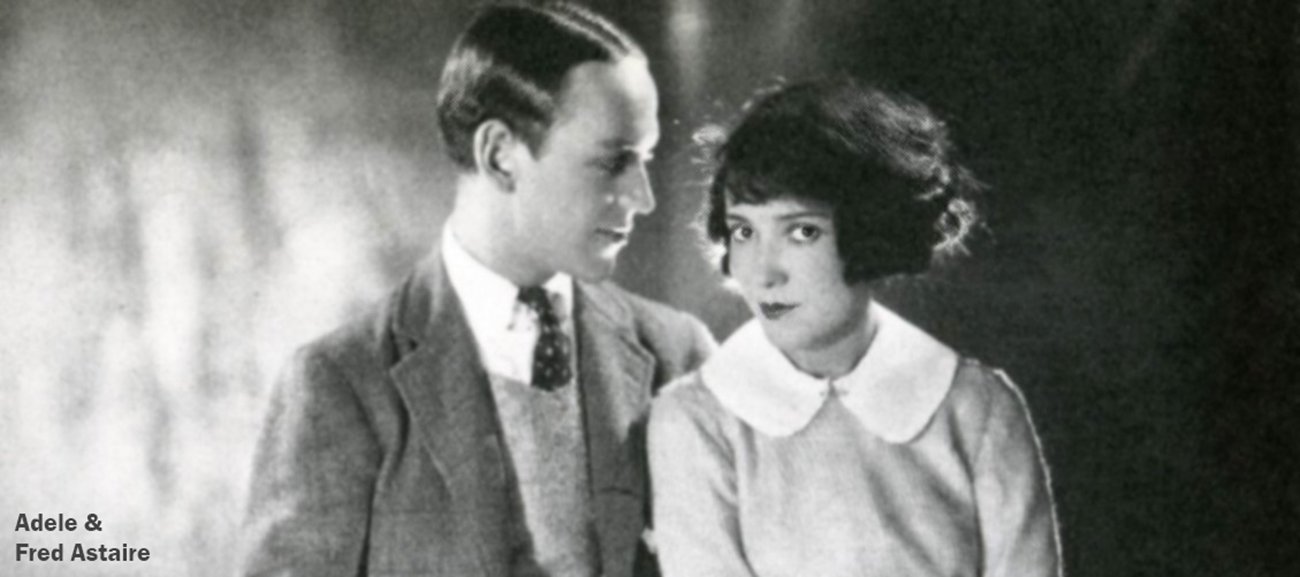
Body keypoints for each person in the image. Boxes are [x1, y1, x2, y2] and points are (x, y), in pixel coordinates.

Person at [238, 4, 714, 576]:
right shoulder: (341, 385)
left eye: (645, 160)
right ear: (500, 156)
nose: (644, 198)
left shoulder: (677, 356)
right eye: (613, 162)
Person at [648, 78, 1061, 576]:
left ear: (873, 234)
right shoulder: (694, 419)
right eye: (744, 230)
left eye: (802, 231)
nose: (763, 272)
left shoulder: (980, 409)